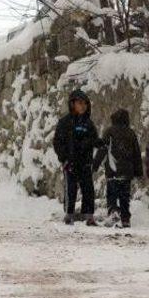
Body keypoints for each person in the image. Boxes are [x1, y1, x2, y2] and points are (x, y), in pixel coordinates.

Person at [53, 90, 101, 226]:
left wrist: (97, 142)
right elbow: (57, 142)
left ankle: (89, 216)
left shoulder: (88, 124)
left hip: (85, 161)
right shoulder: (65, 122)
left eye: (85, 104)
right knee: (70, 188)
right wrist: (64, 158)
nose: (83, 106)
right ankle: (69, 214)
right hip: (70, 161)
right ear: (72, 104)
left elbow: (94, 139)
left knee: (88, 189)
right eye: (80, 103)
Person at [93, 109, 143, 228]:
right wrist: (138, 171)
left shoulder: (109, 131)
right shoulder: (131, 133)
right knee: (125, 197)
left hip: (113, 170)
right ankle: (125, 219)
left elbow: (103, 149)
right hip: (127, 171)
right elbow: (136, 153)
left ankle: (113, 212)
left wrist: (95, 165)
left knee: (112, 194)